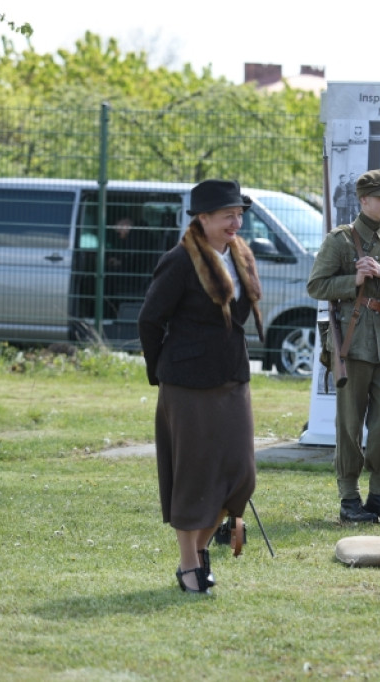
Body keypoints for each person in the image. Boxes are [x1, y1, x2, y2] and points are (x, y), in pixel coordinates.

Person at [138, 179, 264, 594]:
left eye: (239, 213)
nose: (236, 220)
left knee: (240, 474)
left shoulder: (241, 255)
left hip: (232, 378)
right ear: (202, 218)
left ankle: (204, 546)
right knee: (194, 476)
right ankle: (189, 563)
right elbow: (150, 320)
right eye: (227, 214)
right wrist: (165, 372)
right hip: (187, 384)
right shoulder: (180, 260)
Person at [307, 169, 380, 524]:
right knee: (350, 423)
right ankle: (349, 497)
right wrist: (351, 279)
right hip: (350, 341)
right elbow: (316, 286)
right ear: (363, 200)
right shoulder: (340, 240)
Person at [105, 216, 157, 316]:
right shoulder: (142, 235)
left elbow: (134, 260)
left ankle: (109, 313)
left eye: (118, 232)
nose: (119, 236)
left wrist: (119, 263)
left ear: (125, 226)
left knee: (106, 279)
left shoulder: (135, 238)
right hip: (142, 274)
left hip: (137, 276)